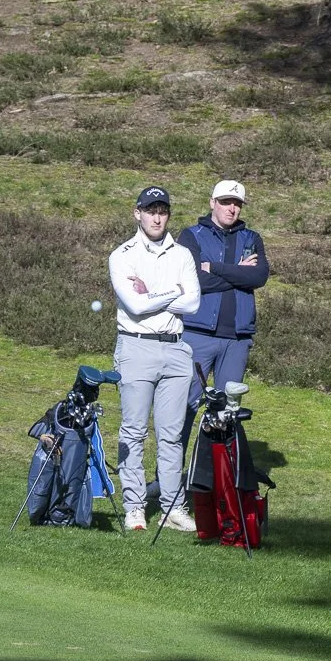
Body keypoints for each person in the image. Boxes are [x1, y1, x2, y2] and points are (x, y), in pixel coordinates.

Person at [108, 185, 201, 533]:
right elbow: (135, 306)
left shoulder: (182, 255)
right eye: (150, 210)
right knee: (133, 431)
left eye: (162, 210)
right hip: (136, 347)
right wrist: (172, 292)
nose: (157, 217)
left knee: (171, 435)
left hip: (176, 349)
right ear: (138, 213)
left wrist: (154, 294)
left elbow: (193, 304)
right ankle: (134, 506)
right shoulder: (123, 255)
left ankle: (172, 507)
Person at [175, 179, 270, 405]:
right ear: (212, 203)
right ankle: (176, 443)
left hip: (237, 340)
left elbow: (259, 277)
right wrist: (239, 274)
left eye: (237, 203)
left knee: (227, 410)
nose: (232, 208)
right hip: (197, 335)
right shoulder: (191, 236)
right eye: (226, 202)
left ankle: (216, 443)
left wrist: (216, 268)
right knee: (186, 405)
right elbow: (196, 281)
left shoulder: (251, 238)